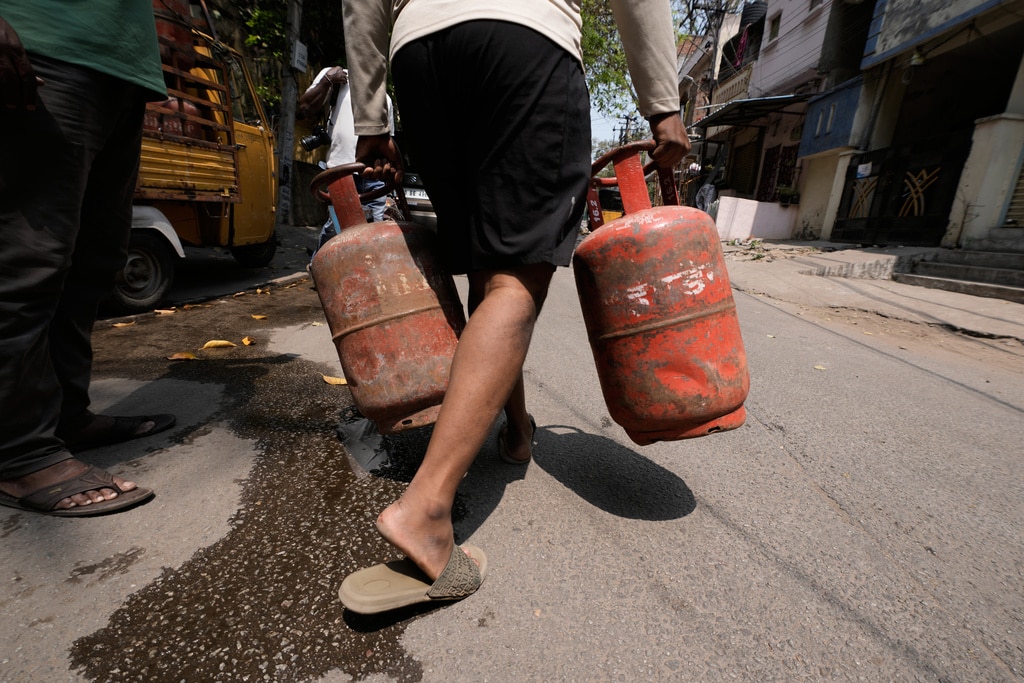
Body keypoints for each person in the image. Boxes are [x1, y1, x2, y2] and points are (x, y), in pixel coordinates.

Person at [337, 0, 691, 614]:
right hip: (523, 41)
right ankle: (424, 511)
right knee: (517, 281)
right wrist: (663, 105)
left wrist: (371, 117)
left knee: (489, 263)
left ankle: (518, 431)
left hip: (421, 58)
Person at [0, 2, 176, 517]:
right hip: (41, 47)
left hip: (118, 72)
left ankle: (65, 416)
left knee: (93, 262)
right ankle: (19, 453)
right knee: (25, 260)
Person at [298, 65, 394, 250]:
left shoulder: (385, 99)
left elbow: (388, 142)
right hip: (342, 175)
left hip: (373, 178)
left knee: (375, 238)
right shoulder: (336, 78)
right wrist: (327, 81)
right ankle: (320, 264)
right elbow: (305, 108)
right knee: (336, 233)